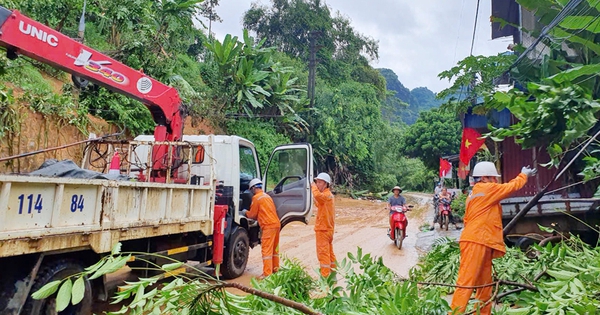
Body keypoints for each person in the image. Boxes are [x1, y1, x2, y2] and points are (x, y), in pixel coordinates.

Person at [450, 162, 536, 314]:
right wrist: (523, 175)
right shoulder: (486, 188)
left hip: (478, 240)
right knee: (466, 283)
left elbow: (467, 219)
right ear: (484, 178)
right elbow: (510, 187)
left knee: (485, 285)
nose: (496, 181)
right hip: (477, 240)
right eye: (493, 178)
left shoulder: (473, 194)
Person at [242, 178, 281, 279]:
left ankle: (267, 274)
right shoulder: (267, 196)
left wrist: (244, 212)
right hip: (276, 224)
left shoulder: (257, 198)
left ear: (254, 188)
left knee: (267, 250)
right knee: (274, 249)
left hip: (268, 226)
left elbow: (252, 215)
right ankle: (275, 270)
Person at [311, 172, 337, 278]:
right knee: (330, 253)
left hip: (323, 229)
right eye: (316, 182)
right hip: (328, 229)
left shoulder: (325, 195)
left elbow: (317, 196)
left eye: (319, 182)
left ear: (326, 184)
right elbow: (318, 202)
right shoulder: (328, 195)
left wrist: (312, 186)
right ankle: (333, 275)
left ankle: (325, 278)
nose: (317, 184)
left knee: (323, 254)